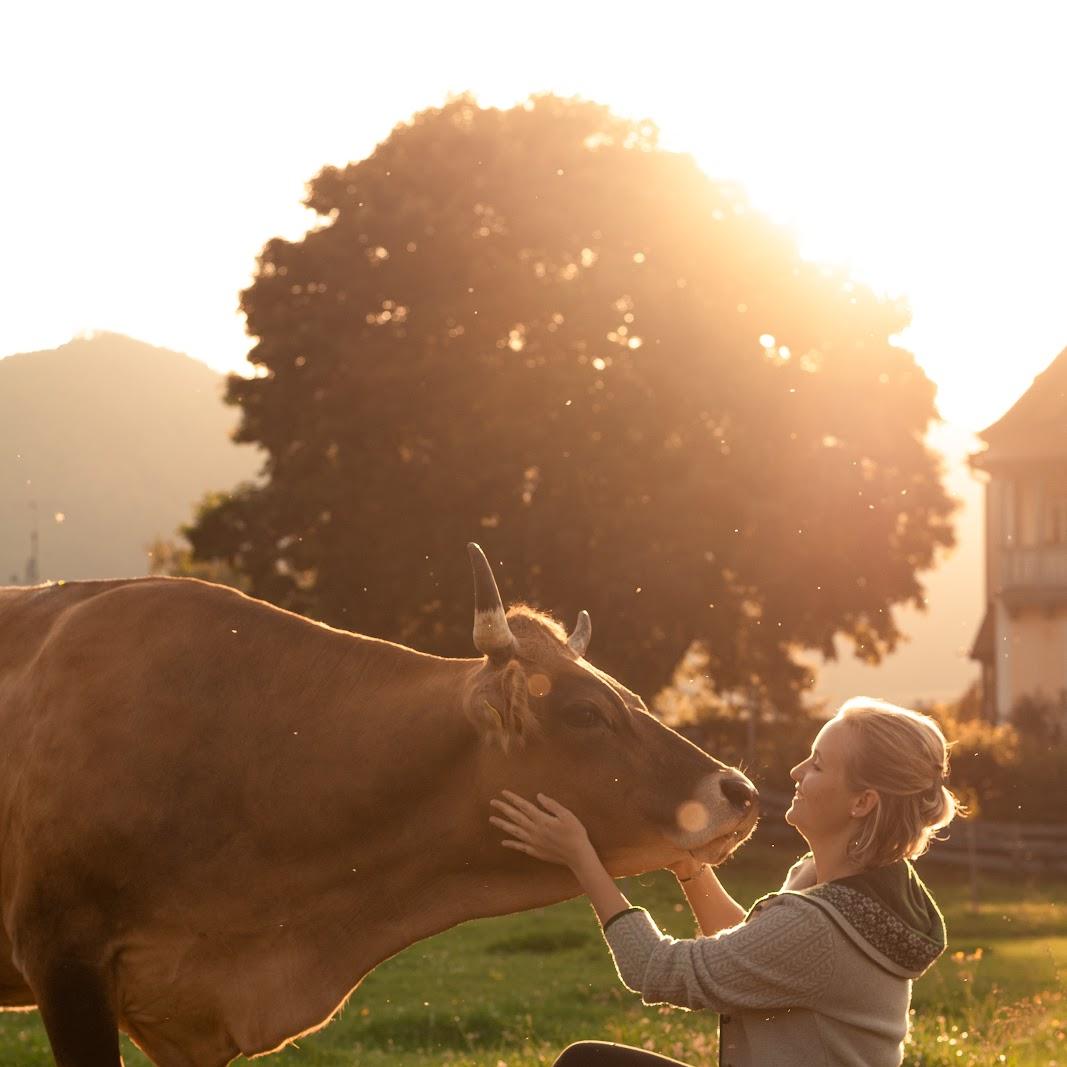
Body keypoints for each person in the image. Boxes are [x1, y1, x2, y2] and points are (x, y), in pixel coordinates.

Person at [489, 697, 961, 1067]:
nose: (797, 772)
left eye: (817, 765)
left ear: (862, 803)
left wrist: (580, 857)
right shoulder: (846, 885)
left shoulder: (822, 927)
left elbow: (655, 970)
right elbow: (751, 950)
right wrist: (687, 863)